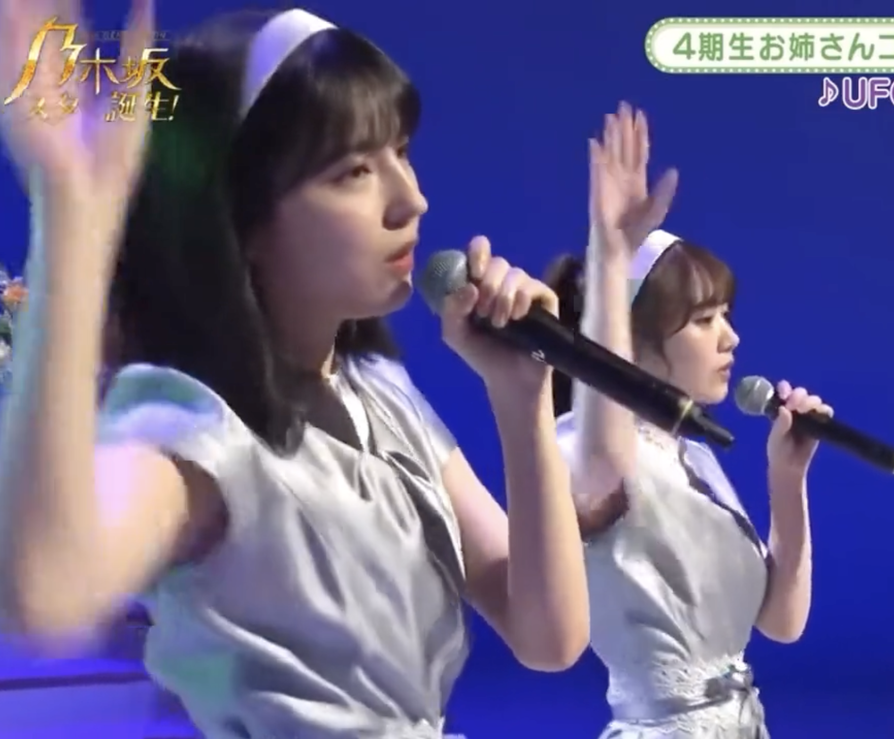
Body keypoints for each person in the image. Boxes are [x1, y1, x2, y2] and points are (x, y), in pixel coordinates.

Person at [0, 3, 589, 738]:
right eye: (355, 171)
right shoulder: (196, 429)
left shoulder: (382, 395)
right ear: (244, 219)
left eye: (401, 151)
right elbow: (47, 590)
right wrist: (74, 220)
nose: (411, 199)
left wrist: (521, 400)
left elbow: (549, 635)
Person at [546, 104, 833, 738]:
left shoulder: (693, 457)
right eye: (704, 321)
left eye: (726, 315)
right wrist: (610, 256)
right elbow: (605, 448)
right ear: (636, 340)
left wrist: (787, 480)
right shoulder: (585, 447)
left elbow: (780, 623)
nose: (731, 338)